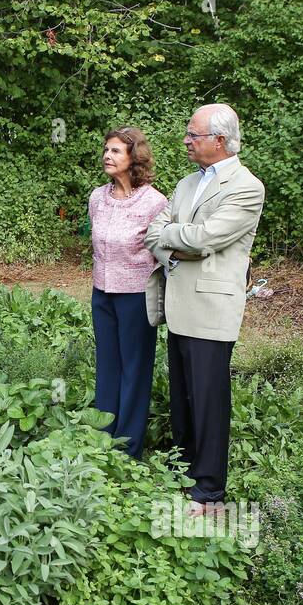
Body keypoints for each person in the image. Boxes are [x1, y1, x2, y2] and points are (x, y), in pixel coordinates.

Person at [145, 103, 265, 515]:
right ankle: (183, 472)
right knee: (183, 397)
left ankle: (209, 491)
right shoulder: (184, 184)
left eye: (193, 134)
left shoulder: (246, 186)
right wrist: (177, 249)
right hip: (179, 304)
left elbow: (208, 237)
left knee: (209, 400)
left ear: (219, 139)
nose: (186, 140)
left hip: (212, 309)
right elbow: (156, 233)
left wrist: (177, 240)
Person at [88, 127, 168, 458]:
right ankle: (103, 437)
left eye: (116, 151)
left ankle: (128, 447)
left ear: (134, 158)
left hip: (136, 296)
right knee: (107, 364)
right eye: (107, 150)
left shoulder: (154, 201)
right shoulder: (97, 197)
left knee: (134, 369)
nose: (108, 156)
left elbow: (161, 250)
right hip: (102, 293)